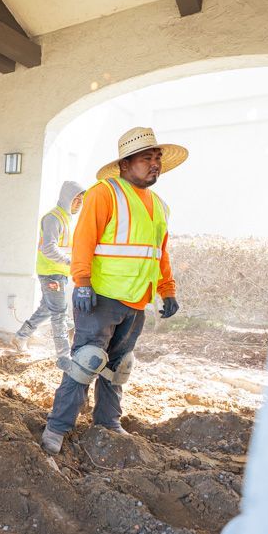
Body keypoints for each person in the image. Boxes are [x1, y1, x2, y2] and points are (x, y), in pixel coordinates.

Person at [40, 127, 185, 455]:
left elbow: (158, 253)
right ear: (124, 164)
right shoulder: (105, 193)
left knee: (119, 366)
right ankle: (57, 428)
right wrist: (82, 281)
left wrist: (167, 290)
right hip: (100, 298)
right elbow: (84, 241)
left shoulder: (160, 206)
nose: (155, 164)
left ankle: (107, 421)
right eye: (147, 158)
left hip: (136, 302)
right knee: (86, 361)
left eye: (157, 158)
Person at [15, 180, 85, 357]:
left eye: (81, 200)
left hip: (59, 272)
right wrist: (70, 262)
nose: (79, 203)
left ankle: (21, 336)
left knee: (47, 308)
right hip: (51, 273)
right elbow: (48, 248)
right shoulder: (54, 218)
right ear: (66, 198)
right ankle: (63, 354)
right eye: (76, 199)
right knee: (59, 313)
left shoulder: (68, 219)